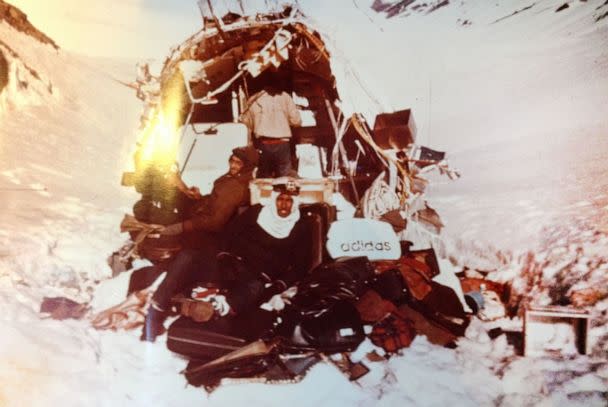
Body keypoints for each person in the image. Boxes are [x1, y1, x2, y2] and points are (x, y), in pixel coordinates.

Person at [142, 177, 309, 342]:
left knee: (253, 291)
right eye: (281, 199)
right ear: (274, 199)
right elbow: (228, 234)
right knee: (188, 256)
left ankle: (208, 309)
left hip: (256, 278)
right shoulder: (257, 212)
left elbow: (300, 266)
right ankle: (157, 311)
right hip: (229, 265)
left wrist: (278, 285)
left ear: (295, 202)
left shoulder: (301, 227)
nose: (284, 205)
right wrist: (223, 257)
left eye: (289, 200)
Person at [160, 145, 259, 249]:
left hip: (206, 230)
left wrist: (181, 227)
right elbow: (218, 201)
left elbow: (214, 222)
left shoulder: (235, 186)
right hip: (202, 214)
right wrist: (200, 198)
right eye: (232, 160)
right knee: (178, 192)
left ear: (248, 166)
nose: (232, 165)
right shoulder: (239, 177)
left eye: (238, 163)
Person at [239, 83, 302, 178]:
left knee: (265, 179)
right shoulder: (285, 97)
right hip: (283, 144)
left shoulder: (253, 100)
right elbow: (296, 121)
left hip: (264, 145)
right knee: (285, 178)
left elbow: (248, 123)